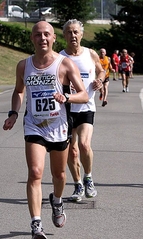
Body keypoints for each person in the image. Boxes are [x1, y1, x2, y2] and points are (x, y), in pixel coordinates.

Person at [2, 21, 88, 239]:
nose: (42, 38)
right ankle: (36, 224)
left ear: (53, 39)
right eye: (38, 35)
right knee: (35, 172)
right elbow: (19, 91)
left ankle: (57, 201)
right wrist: (13, 113)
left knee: (59, 175)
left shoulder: (65, 64)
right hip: (34, 126)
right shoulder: (24, 65)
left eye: (46, 34)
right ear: (32, 38)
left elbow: (84, 95)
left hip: (58, 126)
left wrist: (66, 97)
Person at [60, 19, 106, 202]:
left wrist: (99, 80)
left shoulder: (90, 54)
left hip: (87, 106)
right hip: (67, 108)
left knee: (84, 145)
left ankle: (88, 177)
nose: (73, 35)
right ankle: (77, 184)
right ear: (64, 36)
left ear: (81, 34)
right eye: (69, 32)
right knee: (72, 151)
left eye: (76, 32)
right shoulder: (60, 58)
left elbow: (101, 71)